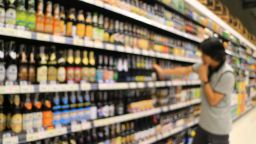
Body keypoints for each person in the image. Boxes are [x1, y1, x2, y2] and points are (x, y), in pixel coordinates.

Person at [153, 37, 235, 144]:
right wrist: (163, 72)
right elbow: (185, 70)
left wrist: (205, 80)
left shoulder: (227, 74)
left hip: (218, 128)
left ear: (213, 56)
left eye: (203, 55)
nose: (201, 57)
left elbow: (213, 101)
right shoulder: (206, 66)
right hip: (204, 123)